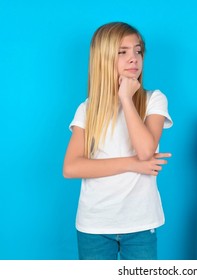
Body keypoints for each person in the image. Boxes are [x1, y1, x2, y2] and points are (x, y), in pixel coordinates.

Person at [63, 22, 173, 260]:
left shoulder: (154, 99)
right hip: (94, 225)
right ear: (103, 58)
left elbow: (146, 152)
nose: (133, 58)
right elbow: (71, 167)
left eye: (138, 51)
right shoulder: (88, 108)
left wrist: (126, 97)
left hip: (141, 223)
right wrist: (132, 164)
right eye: (122, 52)